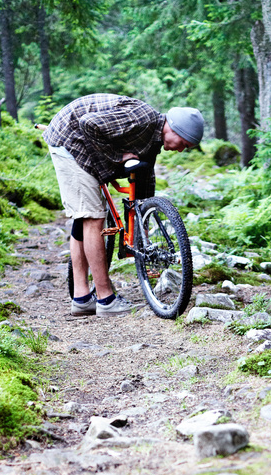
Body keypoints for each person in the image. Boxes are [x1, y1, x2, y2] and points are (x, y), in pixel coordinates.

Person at [43, 94, 204, 316]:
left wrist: (144, 215)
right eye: (184, 144)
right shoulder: (141, 119)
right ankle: (106, 299)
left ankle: (81, 299)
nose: (181, 150)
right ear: (173, 129)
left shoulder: (155, 138)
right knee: (92, 217)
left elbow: (145, 174)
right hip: (70, 139)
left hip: (87, 144)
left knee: (85, 216)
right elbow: (88, 124)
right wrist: (117, 156)